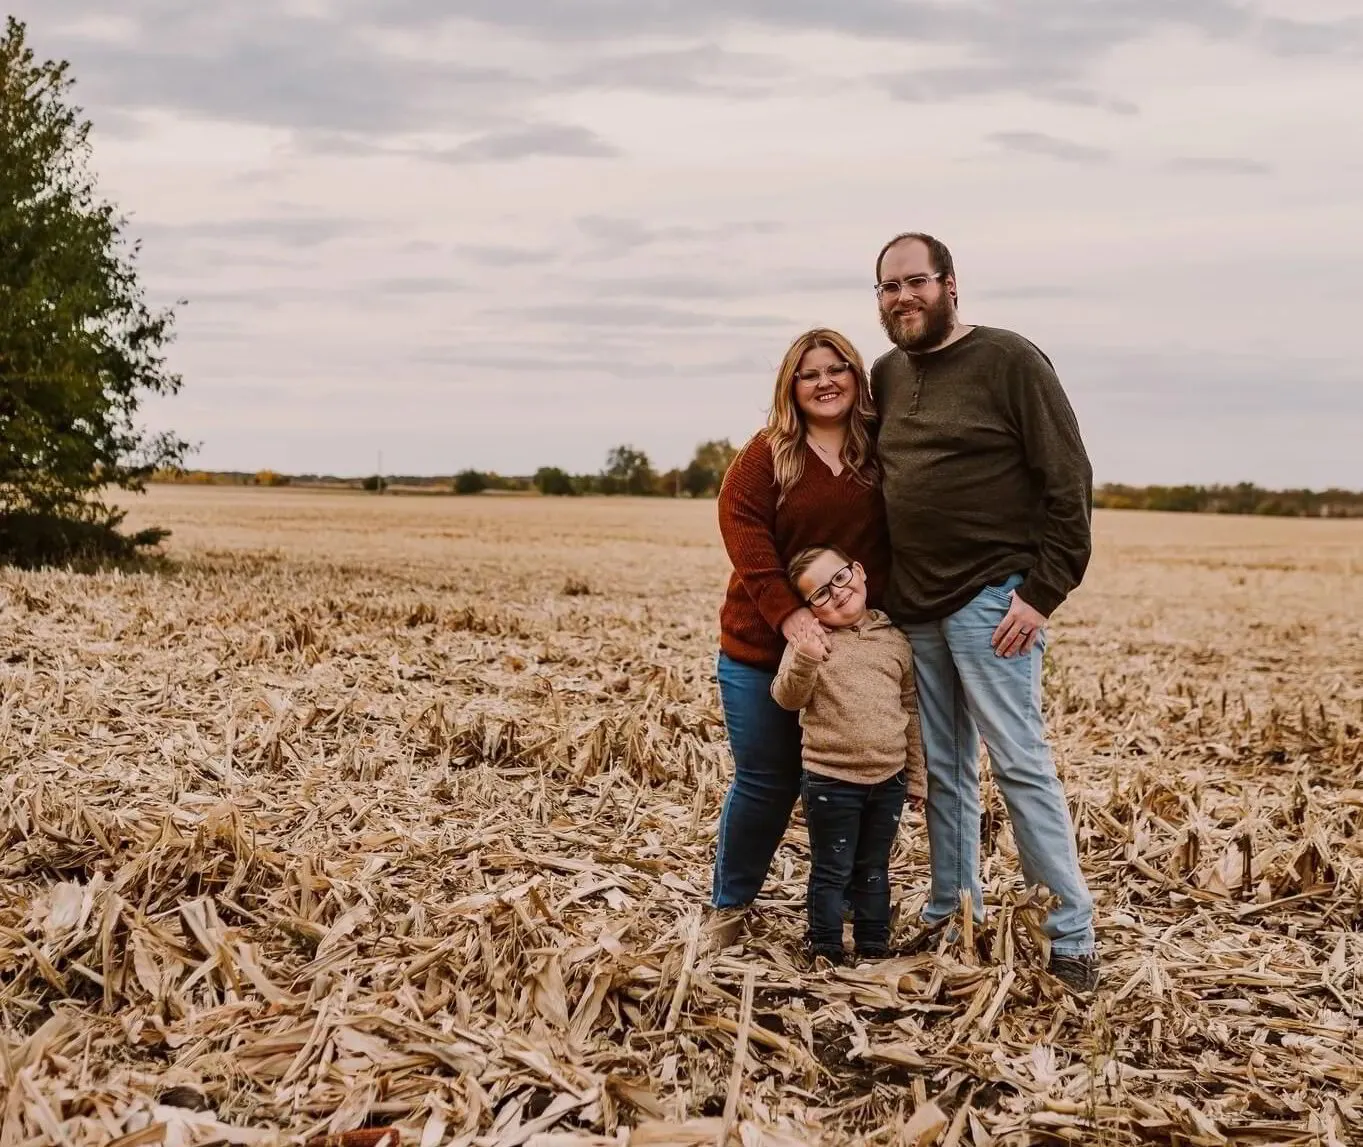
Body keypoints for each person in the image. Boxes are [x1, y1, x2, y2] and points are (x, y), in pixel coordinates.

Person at [868, 231, 1099, 992]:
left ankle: (1070, 936)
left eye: (914, 282)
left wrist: (1040, 593)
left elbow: (1067, 478)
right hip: (917, 605)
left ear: (950, 284)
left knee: (1021, 766)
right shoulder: (889, 374)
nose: (901, 297)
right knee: (943, 771)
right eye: (887, 287)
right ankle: (950, 910)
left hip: (992, 601)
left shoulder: (1009, 360)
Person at [710, 328, 891, 947]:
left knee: (845, 786)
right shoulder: (769, 452)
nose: (826, 381)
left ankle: (839, 917)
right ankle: (729, 908)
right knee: (767, 782)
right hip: (759, 650)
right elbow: (743, 530)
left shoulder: (877, 453)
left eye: (838, 368)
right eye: (810, 373)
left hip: (846, 659)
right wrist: (788, 614)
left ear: (856, 377)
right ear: (792, 385)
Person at [770, 544, 925, 964]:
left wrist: (915, 776)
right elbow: (787, 697)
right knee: (832, 869)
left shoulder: (894, 641)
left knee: (874, 868)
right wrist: (804, 660)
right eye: (819, 594)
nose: (836, 593)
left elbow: (908, 710)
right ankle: (826, 947)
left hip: (888, 780)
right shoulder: (811, 642)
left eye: (839, 578)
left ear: (858, 571)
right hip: (830, 781)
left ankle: (874, 946)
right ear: (809, 608)